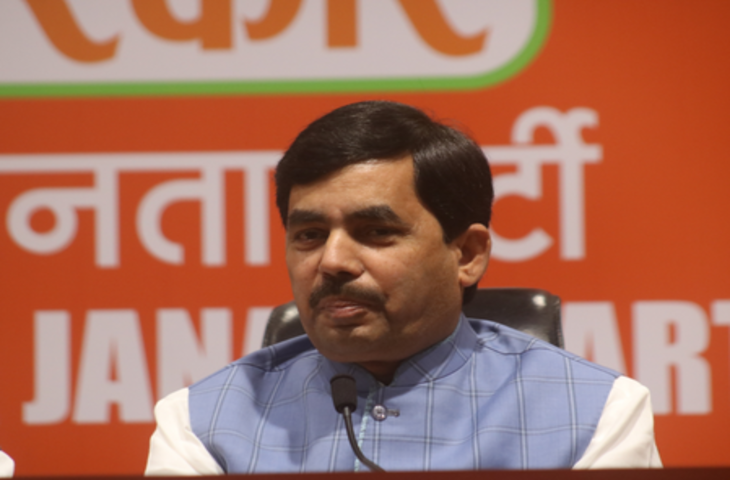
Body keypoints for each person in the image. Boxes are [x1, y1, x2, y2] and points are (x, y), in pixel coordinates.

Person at [145, 101, 661, 475]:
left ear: (467, 254)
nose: (332, 262)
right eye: (310, 235)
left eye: (376, 232)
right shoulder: (201, 424)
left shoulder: (596, 415)